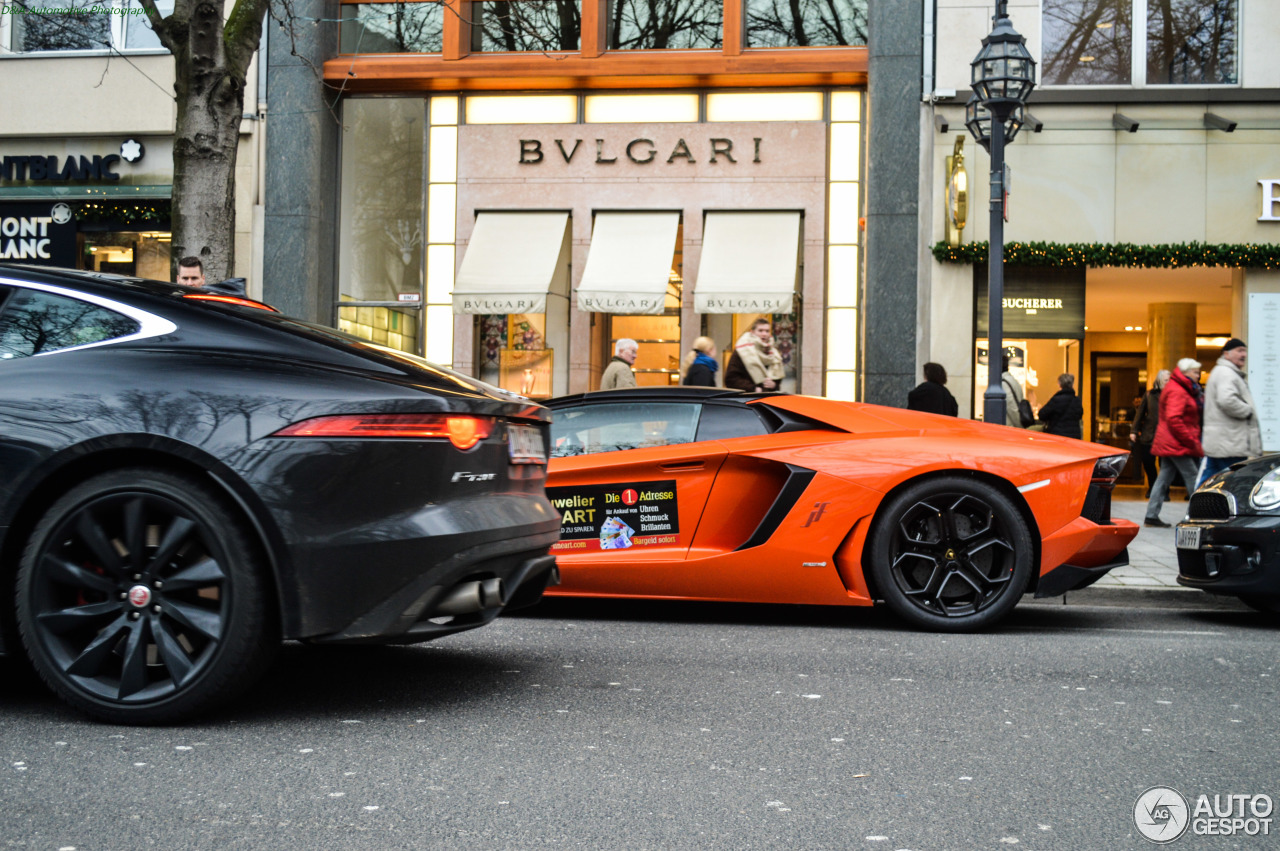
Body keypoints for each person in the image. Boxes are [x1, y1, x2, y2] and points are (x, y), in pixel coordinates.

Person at [1144, 358, 1204, 527]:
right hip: (1176, 442)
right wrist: (1190, 440)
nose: (1198, 375)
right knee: (1193, 476)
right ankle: (1200, 514)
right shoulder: (1179, 390)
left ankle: (1151, 515)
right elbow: (1174, 419)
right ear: (1185, 372)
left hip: (1171, 441)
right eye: (1195, 372)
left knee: (1164, 477)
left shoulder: (1180, 388)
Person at [1198, 337, 1263, 488]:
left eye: (1245, 351)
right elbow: (1227, 400)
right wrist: (1248, 411)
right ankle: (1199, 508)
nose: (1244, 355)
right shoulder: (1226, 373)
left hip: (1226, 441)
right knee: (1231, 480)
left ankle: (1199, 509)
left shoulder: (1226, 373)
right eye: (1239, 351)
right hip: (1229, 441)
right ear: (1226, 354)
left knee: (1211, 479)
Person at [1131, 370, 1170, 497]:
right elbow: (1140, 414)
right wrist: (1134, 431)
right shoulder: (1149, 395)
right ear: (1158, 381)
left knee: (1165, 465)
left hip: (1166, 436)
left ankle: (1164, 491)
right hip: (1149, 435)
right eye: (1166, 380)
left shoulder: (1173, 395)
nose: (1168, 383)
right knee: (1148, 462)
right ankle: (1153, 487)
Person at [724, 318, 784, 393]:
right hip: (746, 398)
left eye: (767, 331)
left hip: (768, 398)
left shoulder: (774, 353)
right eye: (760, 330)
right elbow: (731, 379)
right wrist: (753, 388)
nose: (764, 334)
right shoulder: (742, 351)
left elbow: (777, 379)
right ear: (752, 332)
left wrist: (774, 385)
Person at [1037, 373, 1083, 438]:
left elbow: (1042, 415)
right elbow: (1080, 415)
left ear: (1059, 384)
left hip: (1058, 436)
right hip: (1074, 437)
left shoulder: (1056, 400)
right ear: (1072, 385)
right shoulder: (1077, 401)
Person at [1000, 355, 1027, 428]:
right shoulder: (1014, 382)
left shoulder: (1003, 384)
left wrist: (1020, 427)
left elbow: (1012, 407)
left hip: (1009, 428)